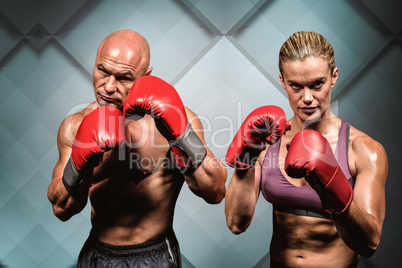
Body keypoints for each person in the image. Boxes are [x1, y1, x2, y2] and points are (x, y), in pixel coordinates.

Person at [47, 29, 227, 268]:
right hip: (97, 254)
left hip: (154, 256)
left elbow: (214, 192)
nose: (108, 87)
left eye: (123, 77)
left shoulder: (175, 121)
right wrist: (79, 164)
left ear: (146, 76)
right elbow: (61, 209)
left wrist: (181, 136)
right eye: (102, 71)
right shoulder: (76, 125)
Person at [224, 31, 388, 267]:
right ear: (282, 81)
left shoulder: (364, 150)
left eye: (317, 85)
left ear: (334, 77)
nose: (307, 97)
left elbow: (369, 244)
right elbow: (235, 223)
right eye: (296, 86)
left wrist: (332, 185)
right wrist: (249, 152)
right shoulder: (267, 140)